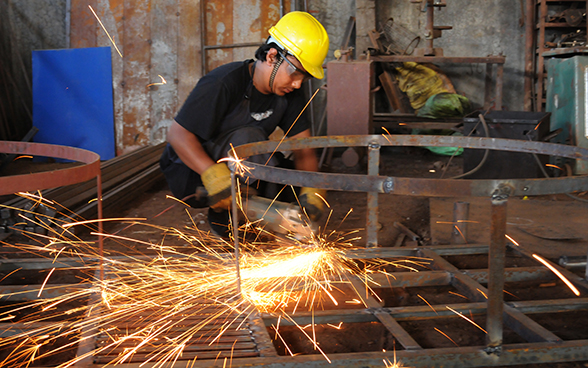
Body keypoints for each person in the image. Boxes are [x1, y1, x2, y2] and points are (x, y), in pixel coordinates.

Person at [159, 11, 330, 236]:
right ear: (272, 56)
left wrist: (312, 189)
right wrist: (212, 174)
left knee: (285, 176)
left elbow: (303, 149)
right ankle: (228, 216)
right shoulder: (223, 82)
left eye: (305, 78)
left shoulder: (290, 95)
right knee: (249, 138)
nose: (298, 84)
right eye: (295, 73)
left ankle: (260, 215)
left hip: (240, 164)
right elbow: (178, 135)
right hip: (192, 170)